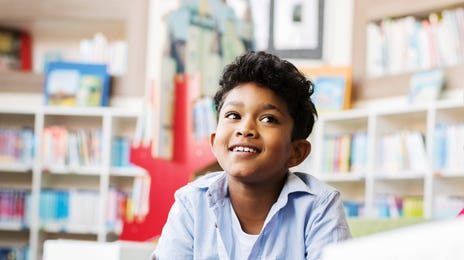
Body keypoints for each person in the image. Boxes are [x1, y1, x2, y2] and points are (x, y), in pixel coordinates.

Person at [152, 51, 351, 259]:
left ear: (296, 152)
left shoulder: (319, 207)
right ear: (214, 142)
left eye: (268, 119)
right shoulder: (191, 203)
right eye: (233, 115)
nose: (245, 129)